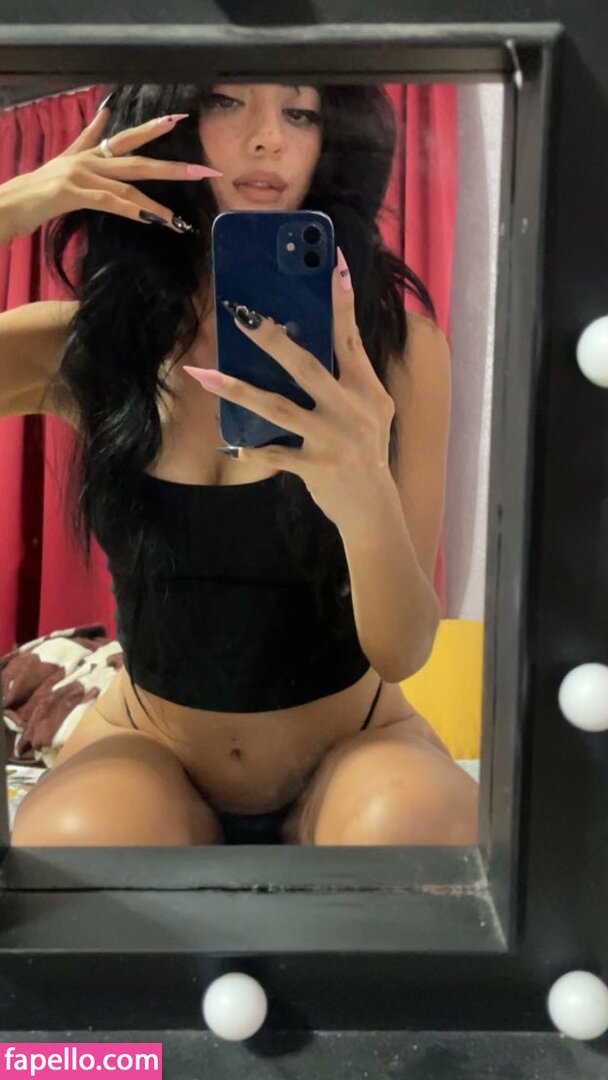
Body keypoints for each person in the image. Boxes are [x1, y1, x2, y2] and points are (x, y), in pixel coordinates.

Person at [1, 81, 479, 847]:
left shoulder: (395, 351)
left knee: (419, 827)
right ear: (172, 127)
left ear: (332, 142)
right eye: (227, 103)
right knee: (75, 846)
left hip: (352, 750)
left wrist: (361, 491)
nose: (269, 138)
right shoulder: (92, 347)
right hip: (148, 748)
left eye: (301, 113)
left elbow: (402, 649)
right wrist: (18, 203)